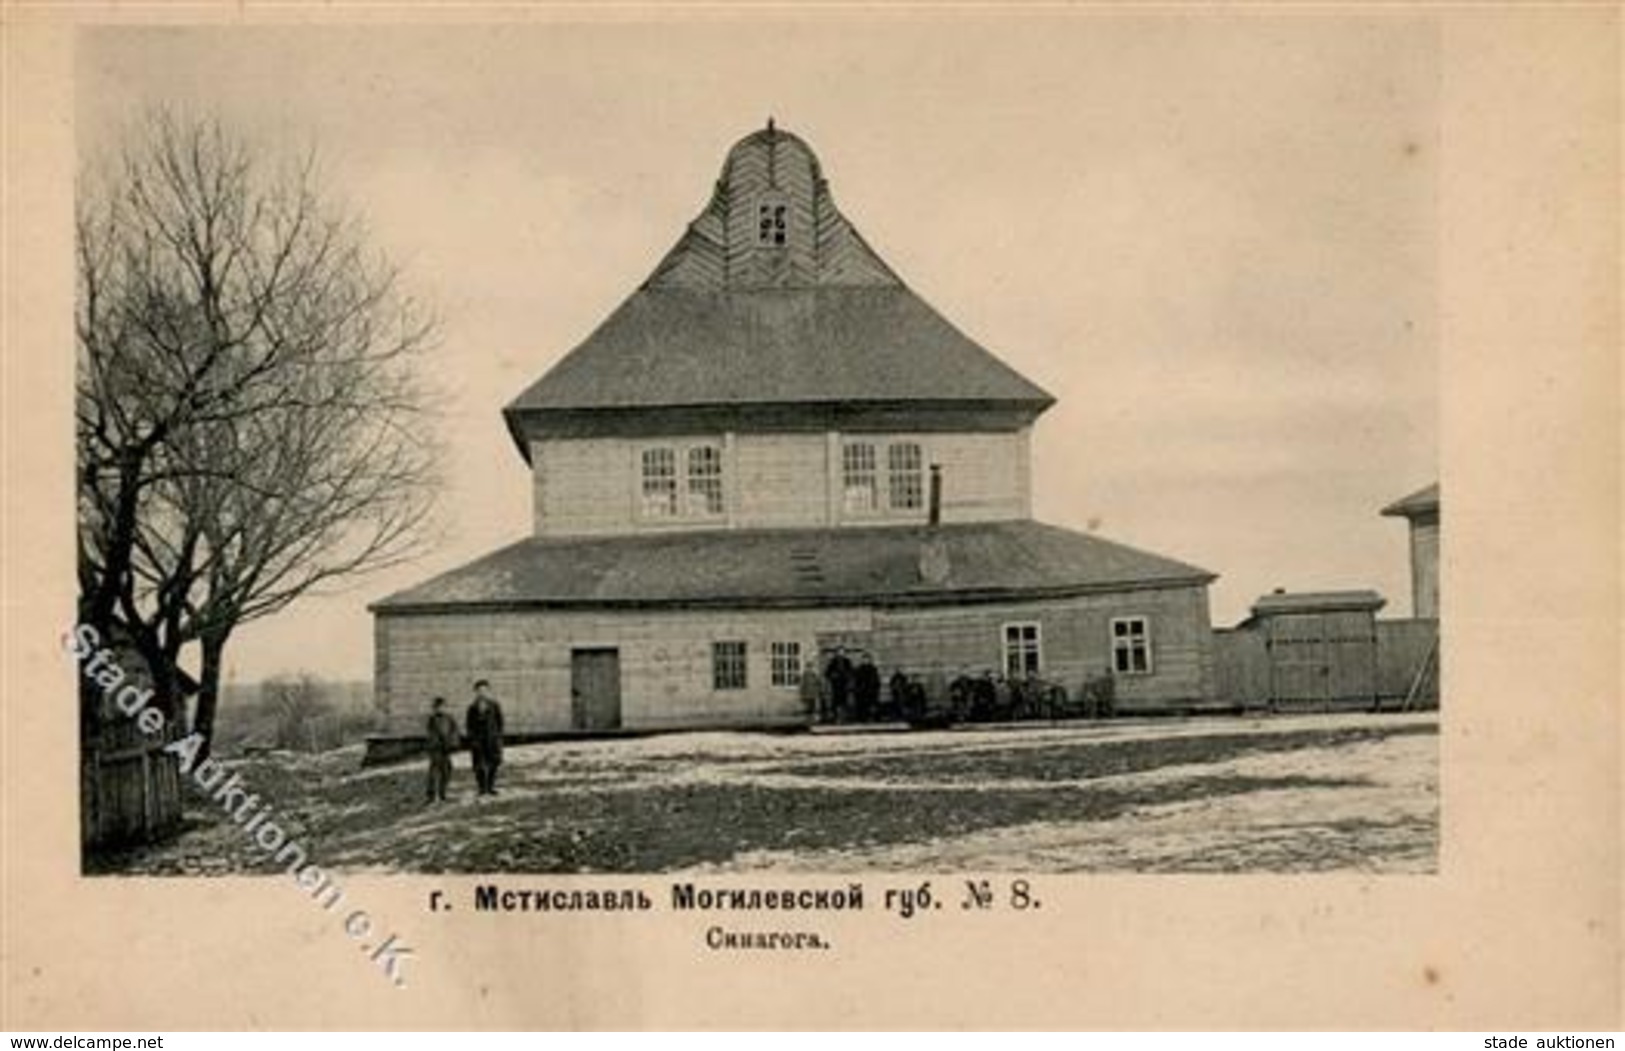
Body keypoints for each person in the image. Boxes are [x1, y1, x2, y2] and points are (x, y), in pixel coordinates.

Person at [465, 679, 505, 796]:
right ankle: (482, 788)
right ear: (476, 692)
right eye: (479, 690)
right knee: (479, 765)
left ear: (488, 691)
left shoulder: (494, 705)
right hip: (478, 740)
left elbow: (500, 721)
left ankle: (490, 786)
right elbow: (469, 725)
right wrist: (472, 739)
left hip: (492, 739)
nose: (482, 693)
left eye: (484, 690)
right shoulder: (472, 708)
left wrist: (498, 736)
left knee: (494, 762)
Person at [424, 696, 459, 803]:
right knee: (434, 771)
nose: (441, 709)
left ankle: (442, 792)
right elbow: (431, 734)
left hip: (446, 748)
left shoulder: (450, 718)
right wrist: (435, 743)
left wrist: (453, 743)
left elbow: (454, 731)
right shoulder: (432, 719)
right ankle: (431, 795)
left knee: (447, 770)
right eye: (438, 707)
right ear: (435, 708)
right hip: (436, 749)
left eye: (443, 707)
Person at [824, 647, 854, 723]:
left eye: (842, 652)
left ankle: (844, 717)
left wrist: (848, 677)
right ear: (836, 653)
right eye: (839, 652)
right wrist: (833, 675)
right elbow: (827, 673)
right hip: (836, 685)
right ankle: (836, 717)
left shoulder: (847, 662)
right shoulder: (833, 662)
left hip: (844, 684)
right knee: (836, 701)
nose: (841, 653)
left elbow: (851, 672)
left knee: (844, 700)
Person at [853, 652, 881, 722]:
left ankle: (872, 717)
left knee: (871, 704)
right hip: (862, 691)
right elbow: (857, 680)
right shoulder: (859, 669)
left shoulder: (873, 669)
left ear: (870, 660)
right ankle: (862, 718)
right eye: (864, 659)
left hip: (871, 690)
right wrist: (858, 689)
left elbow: (876, 680)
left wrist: (875, 688)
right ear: (862, 660)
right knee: (862, 705)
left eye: (867, 659)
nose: (866, 661)